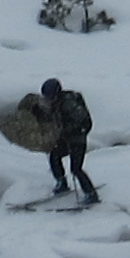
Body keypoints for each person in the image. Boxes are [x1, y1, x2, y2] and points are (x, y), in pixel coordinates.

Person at [37, 75, 97, 206]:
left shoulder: (70, 104)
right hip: (65, 138)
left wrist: (68, 131)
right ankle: (61, 182)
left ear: (56, 94)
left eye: (49, 97)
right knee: (54, 155)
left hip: (77, 140)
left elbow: (83, 122)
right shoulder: (55, 104)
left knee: (76, 169)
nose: (47, 100)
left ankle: (91, 193)